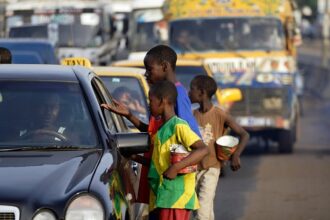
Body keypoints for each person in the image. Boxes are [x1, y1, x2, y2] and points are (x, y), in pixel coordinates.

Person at [101, 45, 201, 214]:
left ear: (164, 66)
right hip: (163, 188)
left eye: (149, 69)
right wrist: (130, 116)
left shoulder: (177, 96)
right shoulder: (167, 102)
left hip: (174, 192)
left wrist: (176, 167)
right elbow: (161, 133)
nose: (147, 74)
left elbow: (189, 139)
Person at [188, 75, 249, 220]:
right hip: (194, 168)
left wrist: (235, 155)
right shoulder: (191, 115)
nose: (188, 93)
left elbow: (244, 134)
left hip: (212, 168)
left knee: (202, 208)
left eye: (192, 89)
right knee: (202, 208)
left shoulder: (220, 114)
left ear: (202, 93)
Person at [147, 80, 209, 220]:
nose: (149, 105)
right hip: (164, 195)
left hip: (176, 198)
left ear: (162, 101)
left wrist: (176, 167)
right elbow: (160, 161)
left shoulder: (178, 126)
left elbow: (203, 150)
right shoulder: (162, 128)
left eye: (151, 100)